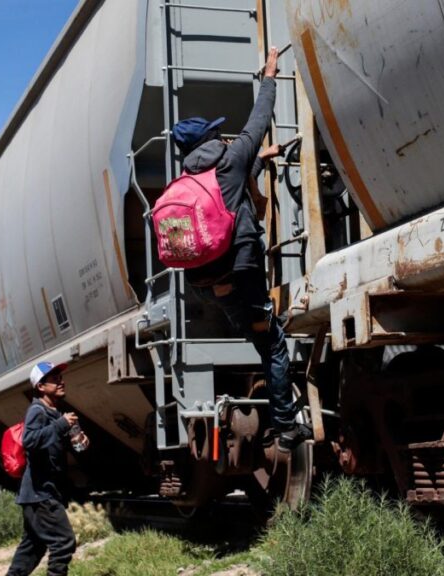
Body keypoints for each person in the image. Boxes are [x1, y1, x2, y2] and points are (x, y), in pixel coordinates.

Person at [171, 46, 311, 452]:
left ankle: (279, 415)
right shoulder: (231, 160)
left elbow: (225, 192)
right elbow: (260, 118)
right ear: (210, 140)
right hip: (244, 271)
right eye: (215, 132)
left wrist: (257, 158)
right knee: (274, 344)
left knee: (261, 338)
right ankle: (286, 427)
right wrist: (269, 73)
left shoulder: (188, 180)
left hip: (212, 284)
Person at [6, 361, 88, 576]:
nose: (61, 381)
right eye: (54, 378)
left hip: (42, 493)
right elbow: (30, 441)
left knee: (32, 548)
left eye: (60, 377)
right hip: (40, 494)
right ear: (41, 386)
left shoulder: (53, 412)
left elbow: (50, 446)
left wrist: (77, 440)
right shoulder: (37, 410)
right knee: (63, 542)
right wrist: (61, 424)